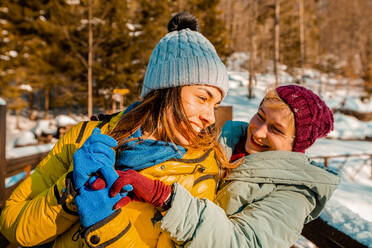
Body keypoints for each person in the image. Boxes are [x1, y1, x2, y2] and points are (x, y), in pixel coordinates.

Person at [0, 12, 231, 248]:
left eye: (215, 104)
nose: (210, 118)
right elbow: (14, 226)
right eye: (203, 98)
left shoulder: (203, 167)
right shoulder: (85, 136)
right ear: (166, 90)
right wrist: (69, 190)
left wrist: (105, 223)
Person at [107, 85, 341, 248]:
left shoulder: (295, 194)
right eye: (260, 116)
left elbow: (241, 243)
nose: (258, 132)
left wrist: (166, 197)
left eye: (276, 129)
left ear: (297, 144)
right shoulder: (218, 136)